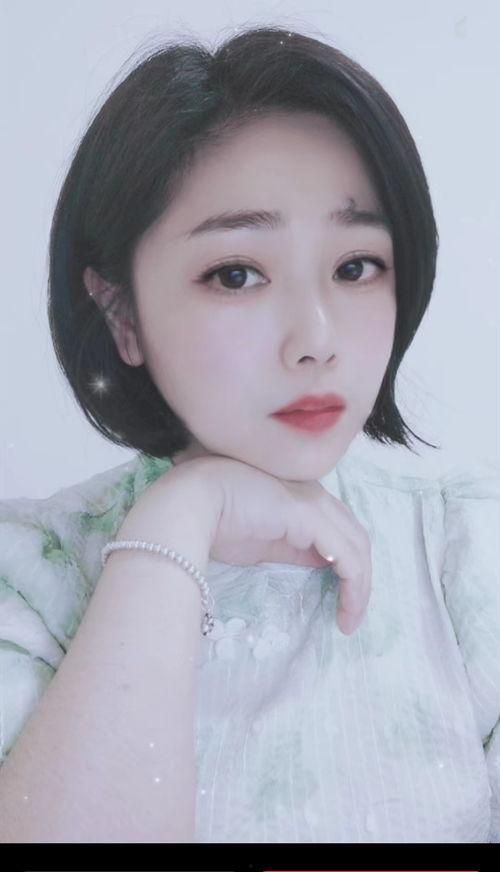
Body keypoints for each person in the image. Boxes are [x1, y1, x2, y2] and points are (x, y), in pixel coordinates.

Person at [0, 24, 498, 844]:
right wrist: (182, 516)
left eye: (356, 266)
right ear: (122, 313)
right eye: (237, 274)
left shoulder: (470, 555)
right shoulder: (29, 582)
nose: (316, 339)